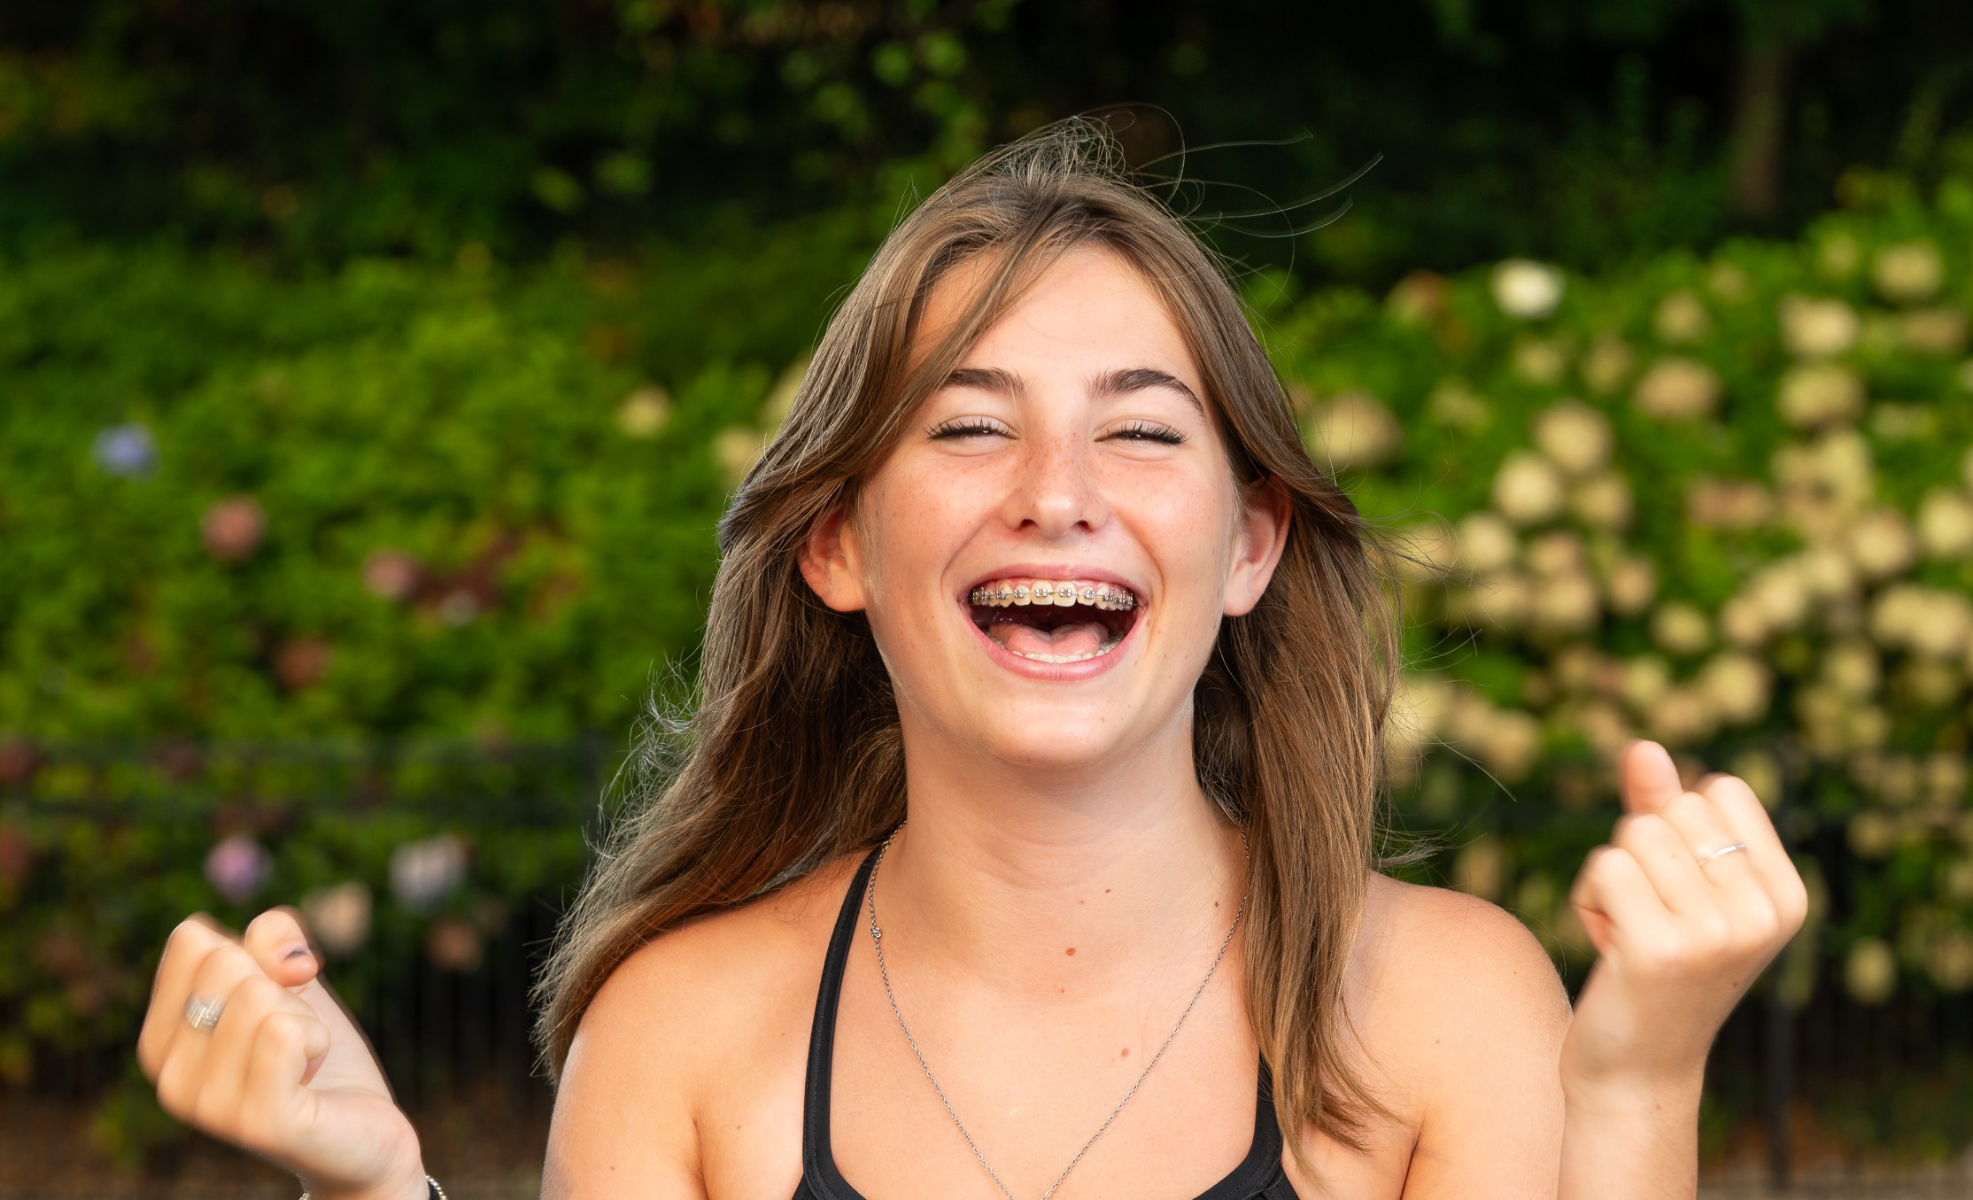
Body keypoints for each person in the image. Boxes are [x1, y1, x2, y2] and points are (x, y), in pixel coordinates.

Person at [136, 117, 1807, 1200]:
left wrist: (1645, 1076)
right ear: (837, 543)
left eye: (1139, 434)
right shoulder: (682, 1037)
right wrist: (371, 1193)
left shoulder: (1447, 1007)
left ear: (1249, 545)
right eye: (966, 426)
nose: (1056, 497)